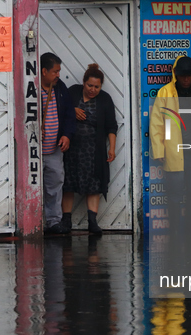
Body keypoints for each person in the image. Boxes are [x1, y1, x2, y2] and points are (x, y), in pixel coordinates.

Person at [149, 56, 191, 240]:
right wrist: (159, 150)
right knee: (174, 195)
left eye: (188, 75)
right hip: (174, 151)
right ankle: (174, 233)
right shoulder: (165, 93)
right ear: (176, 75)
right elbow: (156, 123)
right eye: (182, 76)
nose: (185, 79)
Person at [60, 64, 118, 234]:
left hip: (93, 151)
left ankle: (92, 222)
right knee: (68, 183)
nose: (93, 90)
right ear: (83, 83)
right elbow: (58, 110)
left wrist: (112, 148)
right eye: (90, 85)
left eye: (97, 87)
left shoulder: (105, 100)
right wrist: (72, 110)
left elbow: (111, 127)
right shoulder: (72, 93)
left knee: (94, 184)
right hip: (70, 149)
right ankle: (66, 220)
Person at [40, 52, 75, 234]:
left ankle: (53, 222)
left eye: (59, 71)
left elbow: (69, 114)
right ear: (44, 71)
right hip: (34, 150)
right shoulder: (32, 88)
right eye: (55, 71)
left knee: (55, 185)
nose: (58, 75)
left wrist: (67, 135)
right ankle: (32, 223)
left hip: (54, 149)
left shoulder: (60, 88)